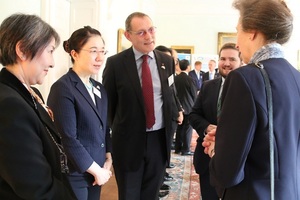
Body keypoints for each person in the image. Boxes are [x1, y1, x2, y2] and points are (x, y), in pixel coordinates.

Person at [202, 0, 300, 199]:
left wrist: (215, 149)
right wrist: (228, 136)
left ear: (252, 32)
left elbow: (227, 172)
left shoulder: (244, 78)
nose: (237, 43)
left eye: (238, 30)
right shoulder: (296, 76)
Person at [0, 13, 76, 199]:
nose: (52, 63)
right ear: (23, 49)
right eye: (50, 51)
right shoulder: (10, 106)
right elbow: (36, 188)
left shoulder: (32, 94)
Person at [103, 12, 177, 200]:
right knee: (129, 194)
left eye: (151, 30)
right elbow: (108, 106)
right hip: (128, 143)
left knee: (151, 194)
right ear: (128, 36)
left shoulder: (166, 61)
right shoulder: (115, 64)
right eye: (142, 32)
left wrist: (173, 124)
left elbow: (169, 97)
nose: (149, 36)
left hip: (159, 140)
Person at [47, 26, 112, 200]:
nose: (100, 57)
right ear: (74, 54)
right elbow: (67, 137)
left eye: (103, 51)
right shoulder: (62, 88)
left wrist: (108, 157)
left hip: (97, 170)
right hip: (75, 173)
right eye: (93, 51)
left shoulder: (99, 88)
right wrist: (96, 170)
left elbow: (104, 127)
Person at [189, 43, 242, 200]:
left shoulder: (250, 88)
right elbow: (193, 114)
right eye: (223, 58)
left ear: (241, 61)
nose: (226, 63)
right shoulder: (207, 86)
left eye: (232, 59)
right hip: (207, 159)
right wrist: (206, 127)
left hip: (236, 160)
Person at [154, 45, 184, 198]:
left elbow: (173, 93)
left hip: (170, 115)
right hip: (159, 119)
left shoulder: (169, 72)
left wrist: (179, 109)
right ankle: (158, 181)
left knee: (164, 148)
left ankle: (161, 175)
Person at [174, 59, 197, 155]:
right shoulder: (190, 79)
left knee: (179, 128)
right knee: (188, 128)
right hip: (188, 107)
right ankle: (186, 149)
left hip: (177, 107)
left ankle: (178, 148)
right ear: (188, 67)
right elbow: (194, 94)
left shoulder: (175, 79)